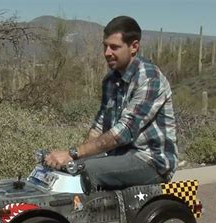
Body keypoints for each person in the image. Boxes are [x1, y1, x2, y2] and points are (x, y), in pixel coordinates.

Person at [45, 16, 178, 190]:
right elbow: (99, 126)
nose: (107, 52)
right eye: (105, 46)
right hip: (120, 155)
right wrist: (75, 158)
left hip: (151, 161)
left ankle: (84, 216)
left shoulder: (149, 78)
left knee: (88, 171)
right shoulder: (110, 80)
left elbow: (122, 133)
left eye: (114, 47)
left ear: (134, 47)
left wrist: (73, 153)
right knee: (70, 168)